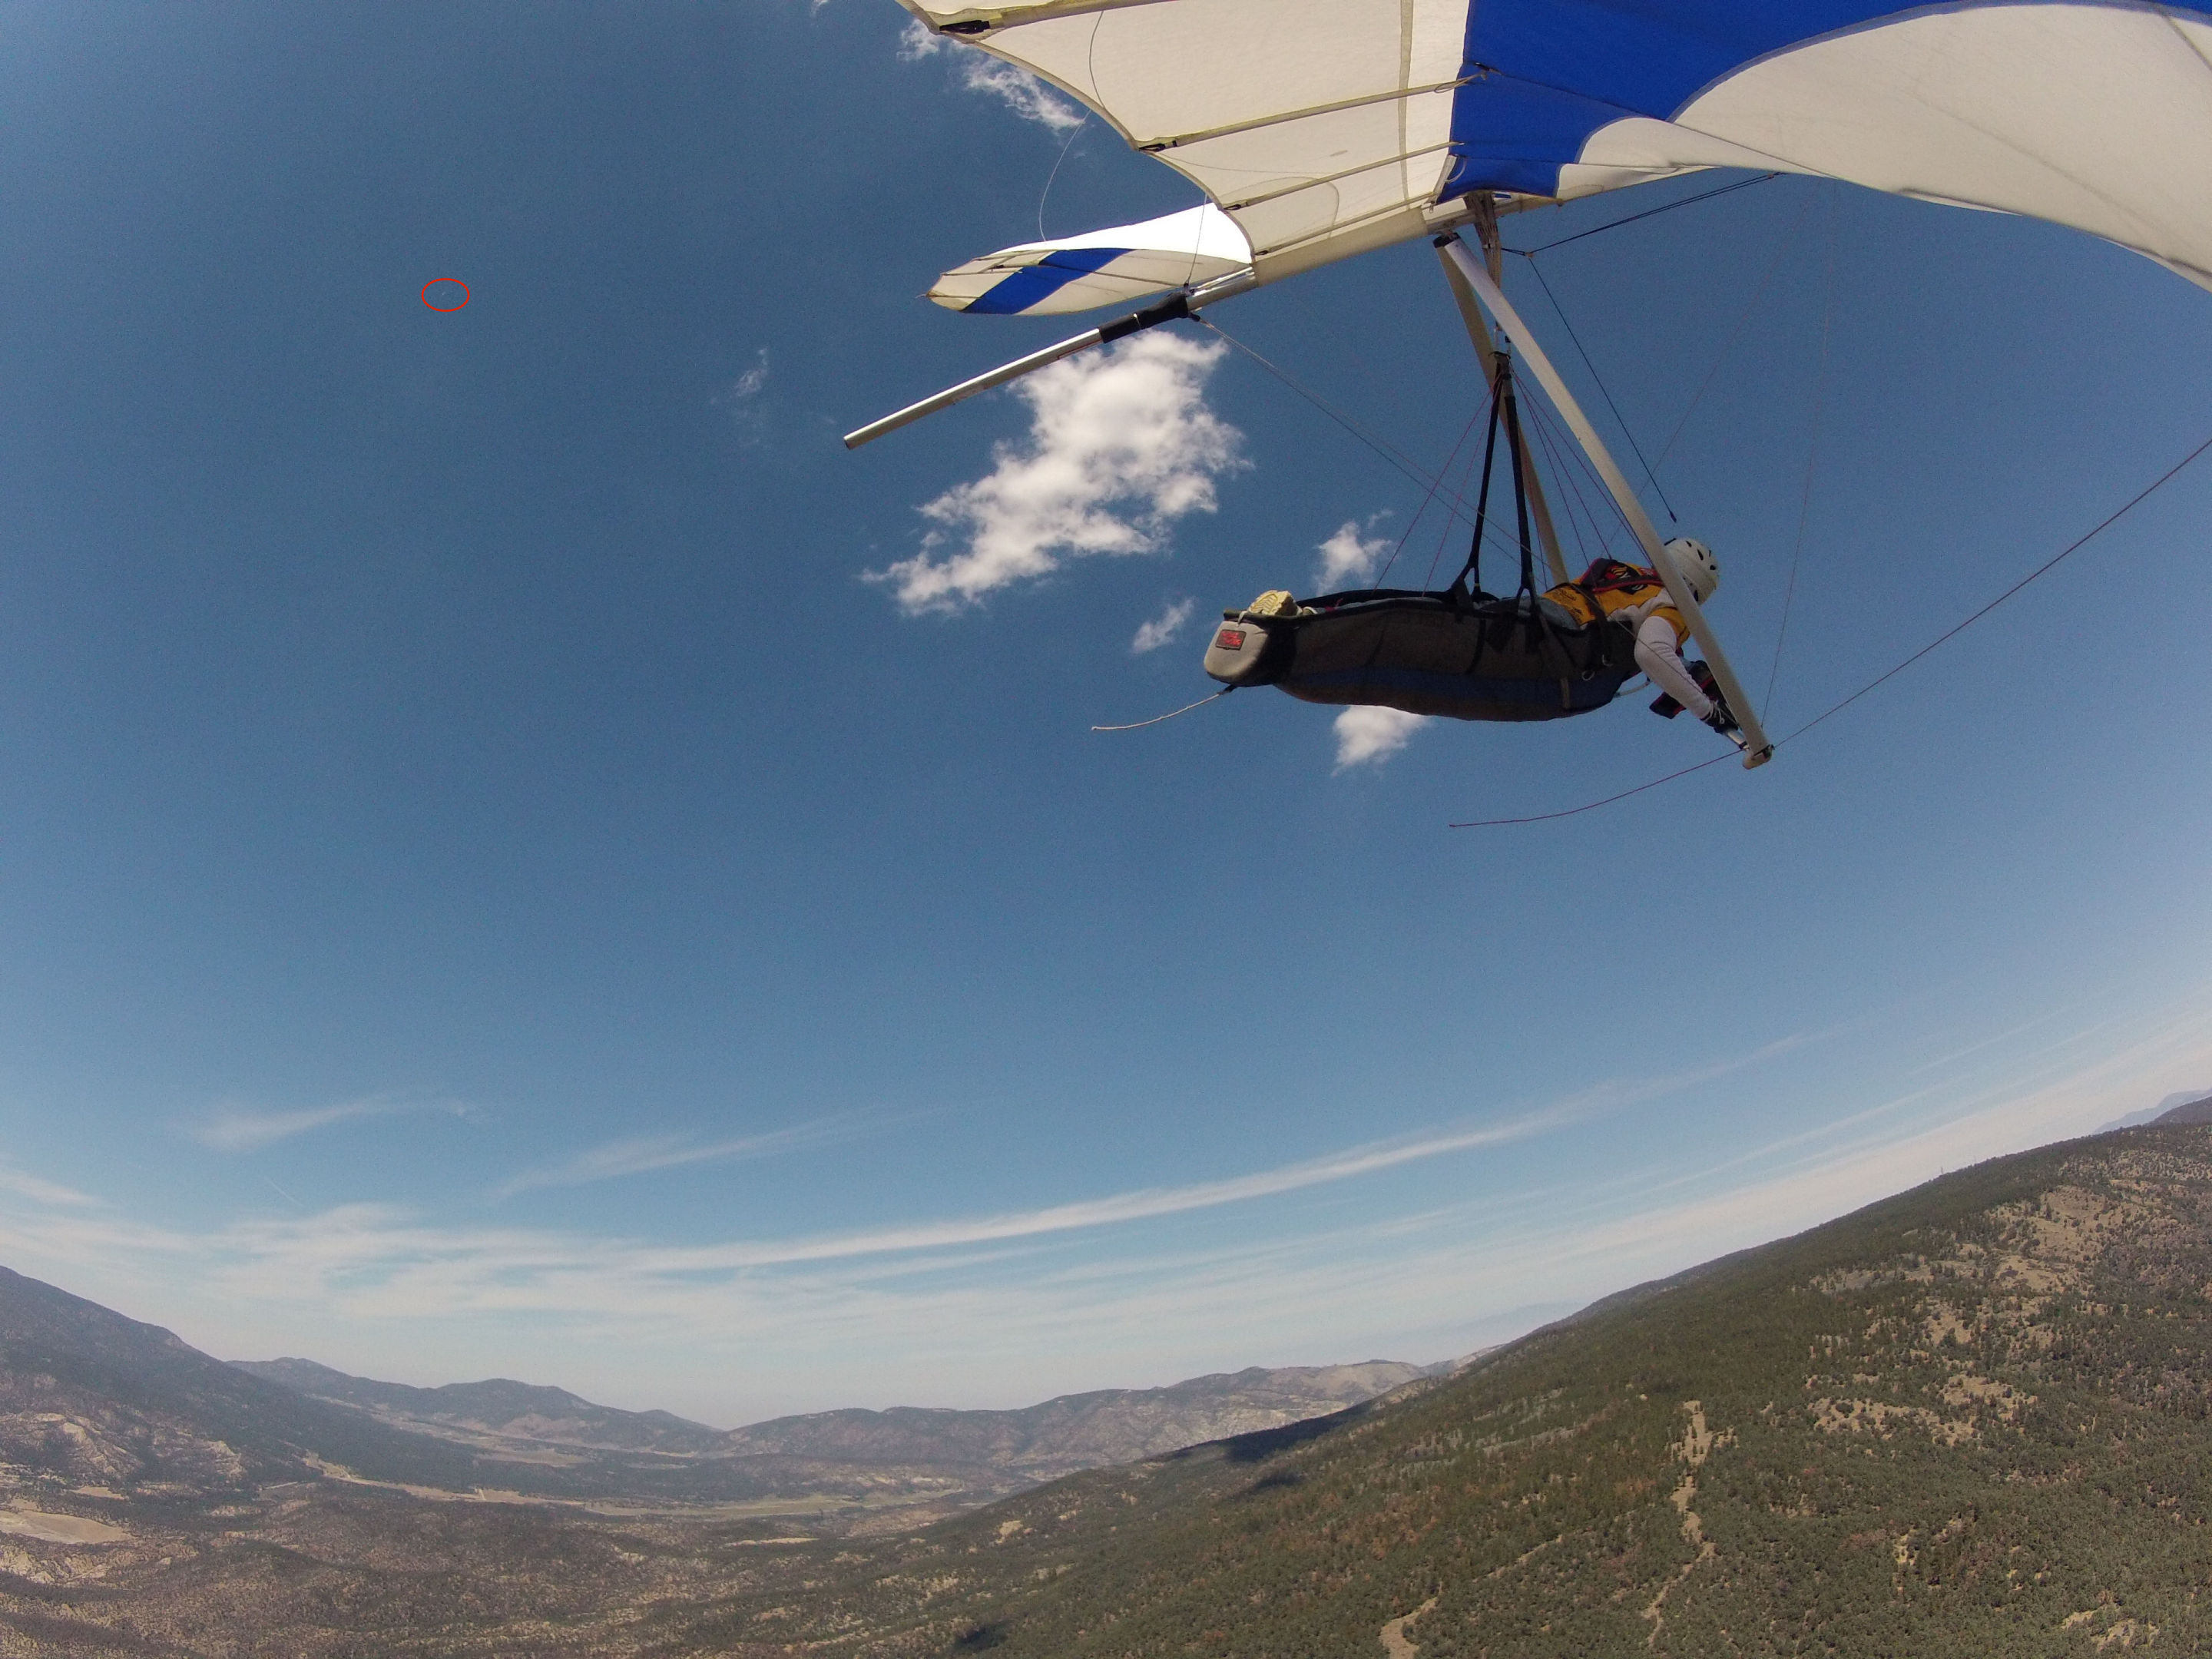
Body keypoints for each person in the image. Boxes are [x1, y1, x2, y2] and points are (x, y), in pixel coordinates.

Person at [1542, 539, 1740, 739]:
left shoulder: (1617, 571)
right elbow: (1652, 652)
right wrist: (1708, 712)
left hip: (1537, 613)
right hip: (1559, 643)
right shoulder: (1672, 604)